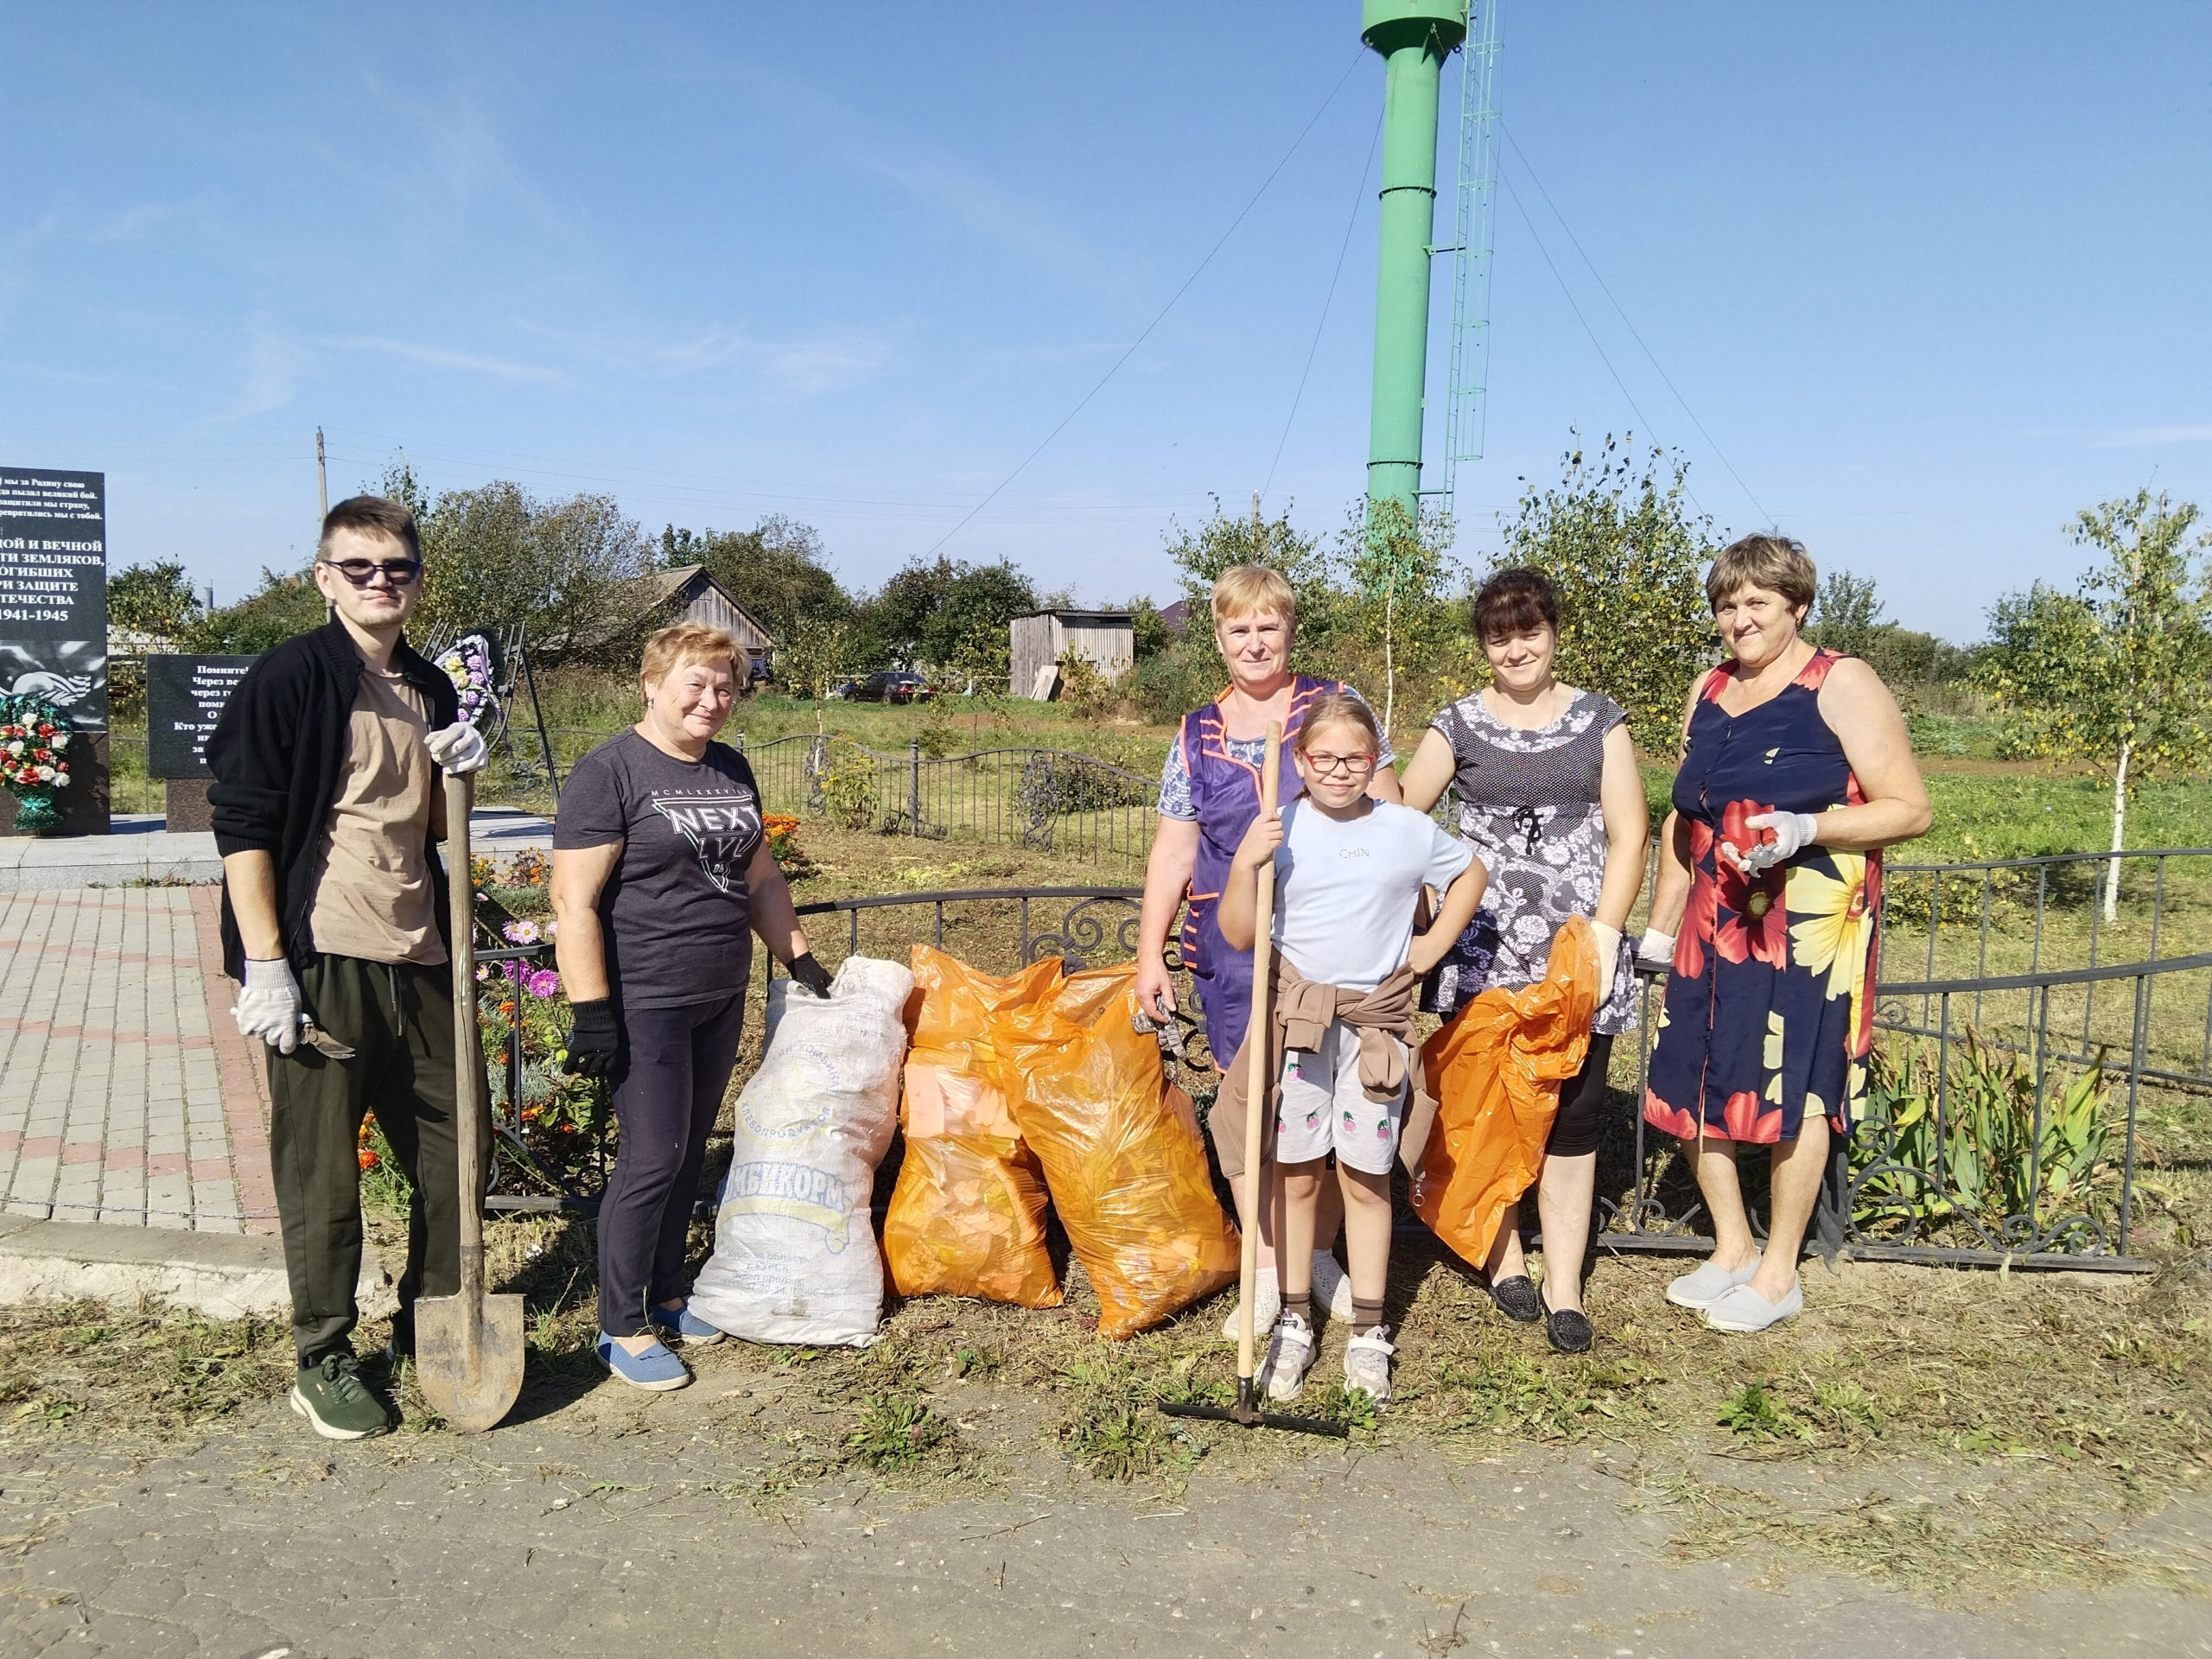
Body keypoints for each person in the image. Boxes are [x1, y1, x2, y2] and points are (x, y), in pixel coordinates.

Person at [208, 494, 493, 1441]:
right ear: (325, 577)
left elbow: (433, 830)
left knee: (459, 1152)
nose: (381, 583)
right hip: (323, 957)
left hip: (423, 956)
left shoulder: (428, 688)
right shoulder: (288, 678)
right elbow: (243, 826)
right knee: (321, 1172)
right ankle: (323, 1355)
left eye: (397, 569)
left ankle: (434, 1318)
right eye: (360, 568)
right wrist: (265, 966)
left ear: (416, 579)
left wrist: (462, 771)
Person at [1638, 535, 1929, 1333]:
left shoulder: (1841, 682)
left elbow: (1910, 807)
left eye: (1757, 603)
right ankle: (1732, 1244)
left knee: (1794, 1081)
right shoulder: (1708, 687)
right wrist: (1661, 926)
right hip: (1714, 915)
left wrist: (1808, 826)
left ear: (1797, 607)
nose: (1740, 620)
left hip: (1805, 919)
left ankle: (1779, 1270)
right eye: (1727, 605)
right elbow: (1683, 816)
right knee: (1690, 1073)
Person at [550, 623, 833, 1391]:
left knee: (687, 1149)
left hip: (717, 991)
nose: (713, 700)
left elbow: (762, 878)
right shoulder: (609, 772)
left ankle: (668, 1292)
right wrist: (592, 1009)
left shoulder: (731, 768)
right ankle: (619, 1324)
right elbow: (573, 901)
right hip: (644, 998)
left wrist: (798, 956)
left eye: (726, 687)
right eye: (696, 684)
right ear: (652, 684)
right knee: (650, 1157)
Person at [1134, 566, 1403, 1340]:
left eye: (1269, 627)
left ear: (1290, 632)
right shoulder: (1194, 736)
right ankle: (1263, 1265)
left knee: (1313, 1101)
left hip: (1329, 950)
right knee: (1247, 1114)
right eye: (1238, 629)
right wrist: (1151, 953)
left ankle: (1314, 1255)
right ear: (1217, 638)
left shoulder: (1335, 708)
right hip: (1231, 949)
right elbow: (1174, 851)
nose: (1255, 643)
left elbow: (1392, 819)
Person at [1396, 568, 1649, 1353]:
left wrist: (1601, 940)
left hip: (1576, 955)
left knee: (1573, 1113)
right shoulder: (1457, 725)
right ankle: (1503, 1257)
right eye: (1500, 635)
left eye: (1529, 631)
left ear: (1554, 632)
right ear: (1484, 645)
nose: (1516, 648)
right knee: (1485, 1104)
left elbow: (1632, 833)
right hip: (1484, 952)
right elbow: (1404, 818)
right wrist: (1431, 922)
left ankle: (1565, 1284)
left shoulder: (1601, 721)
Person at [1215, 694, 1485, 1404]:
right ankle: (1297, 1319)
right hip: (1300, 1025)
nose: (1339, 770)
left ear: (1375, 762)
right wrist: (1247, 862)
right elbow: (1240, 934)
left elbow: (1470, 874)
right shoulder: (1283, 825)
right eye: (1324, 758)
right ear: (1300, 761)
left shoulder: (1407, 829)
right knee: (1297, 1174)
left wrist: (1430, 946)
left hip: (1375, 1028)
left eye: (1355, 758)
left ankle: (1368, 1331)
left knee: (1366, 1177)